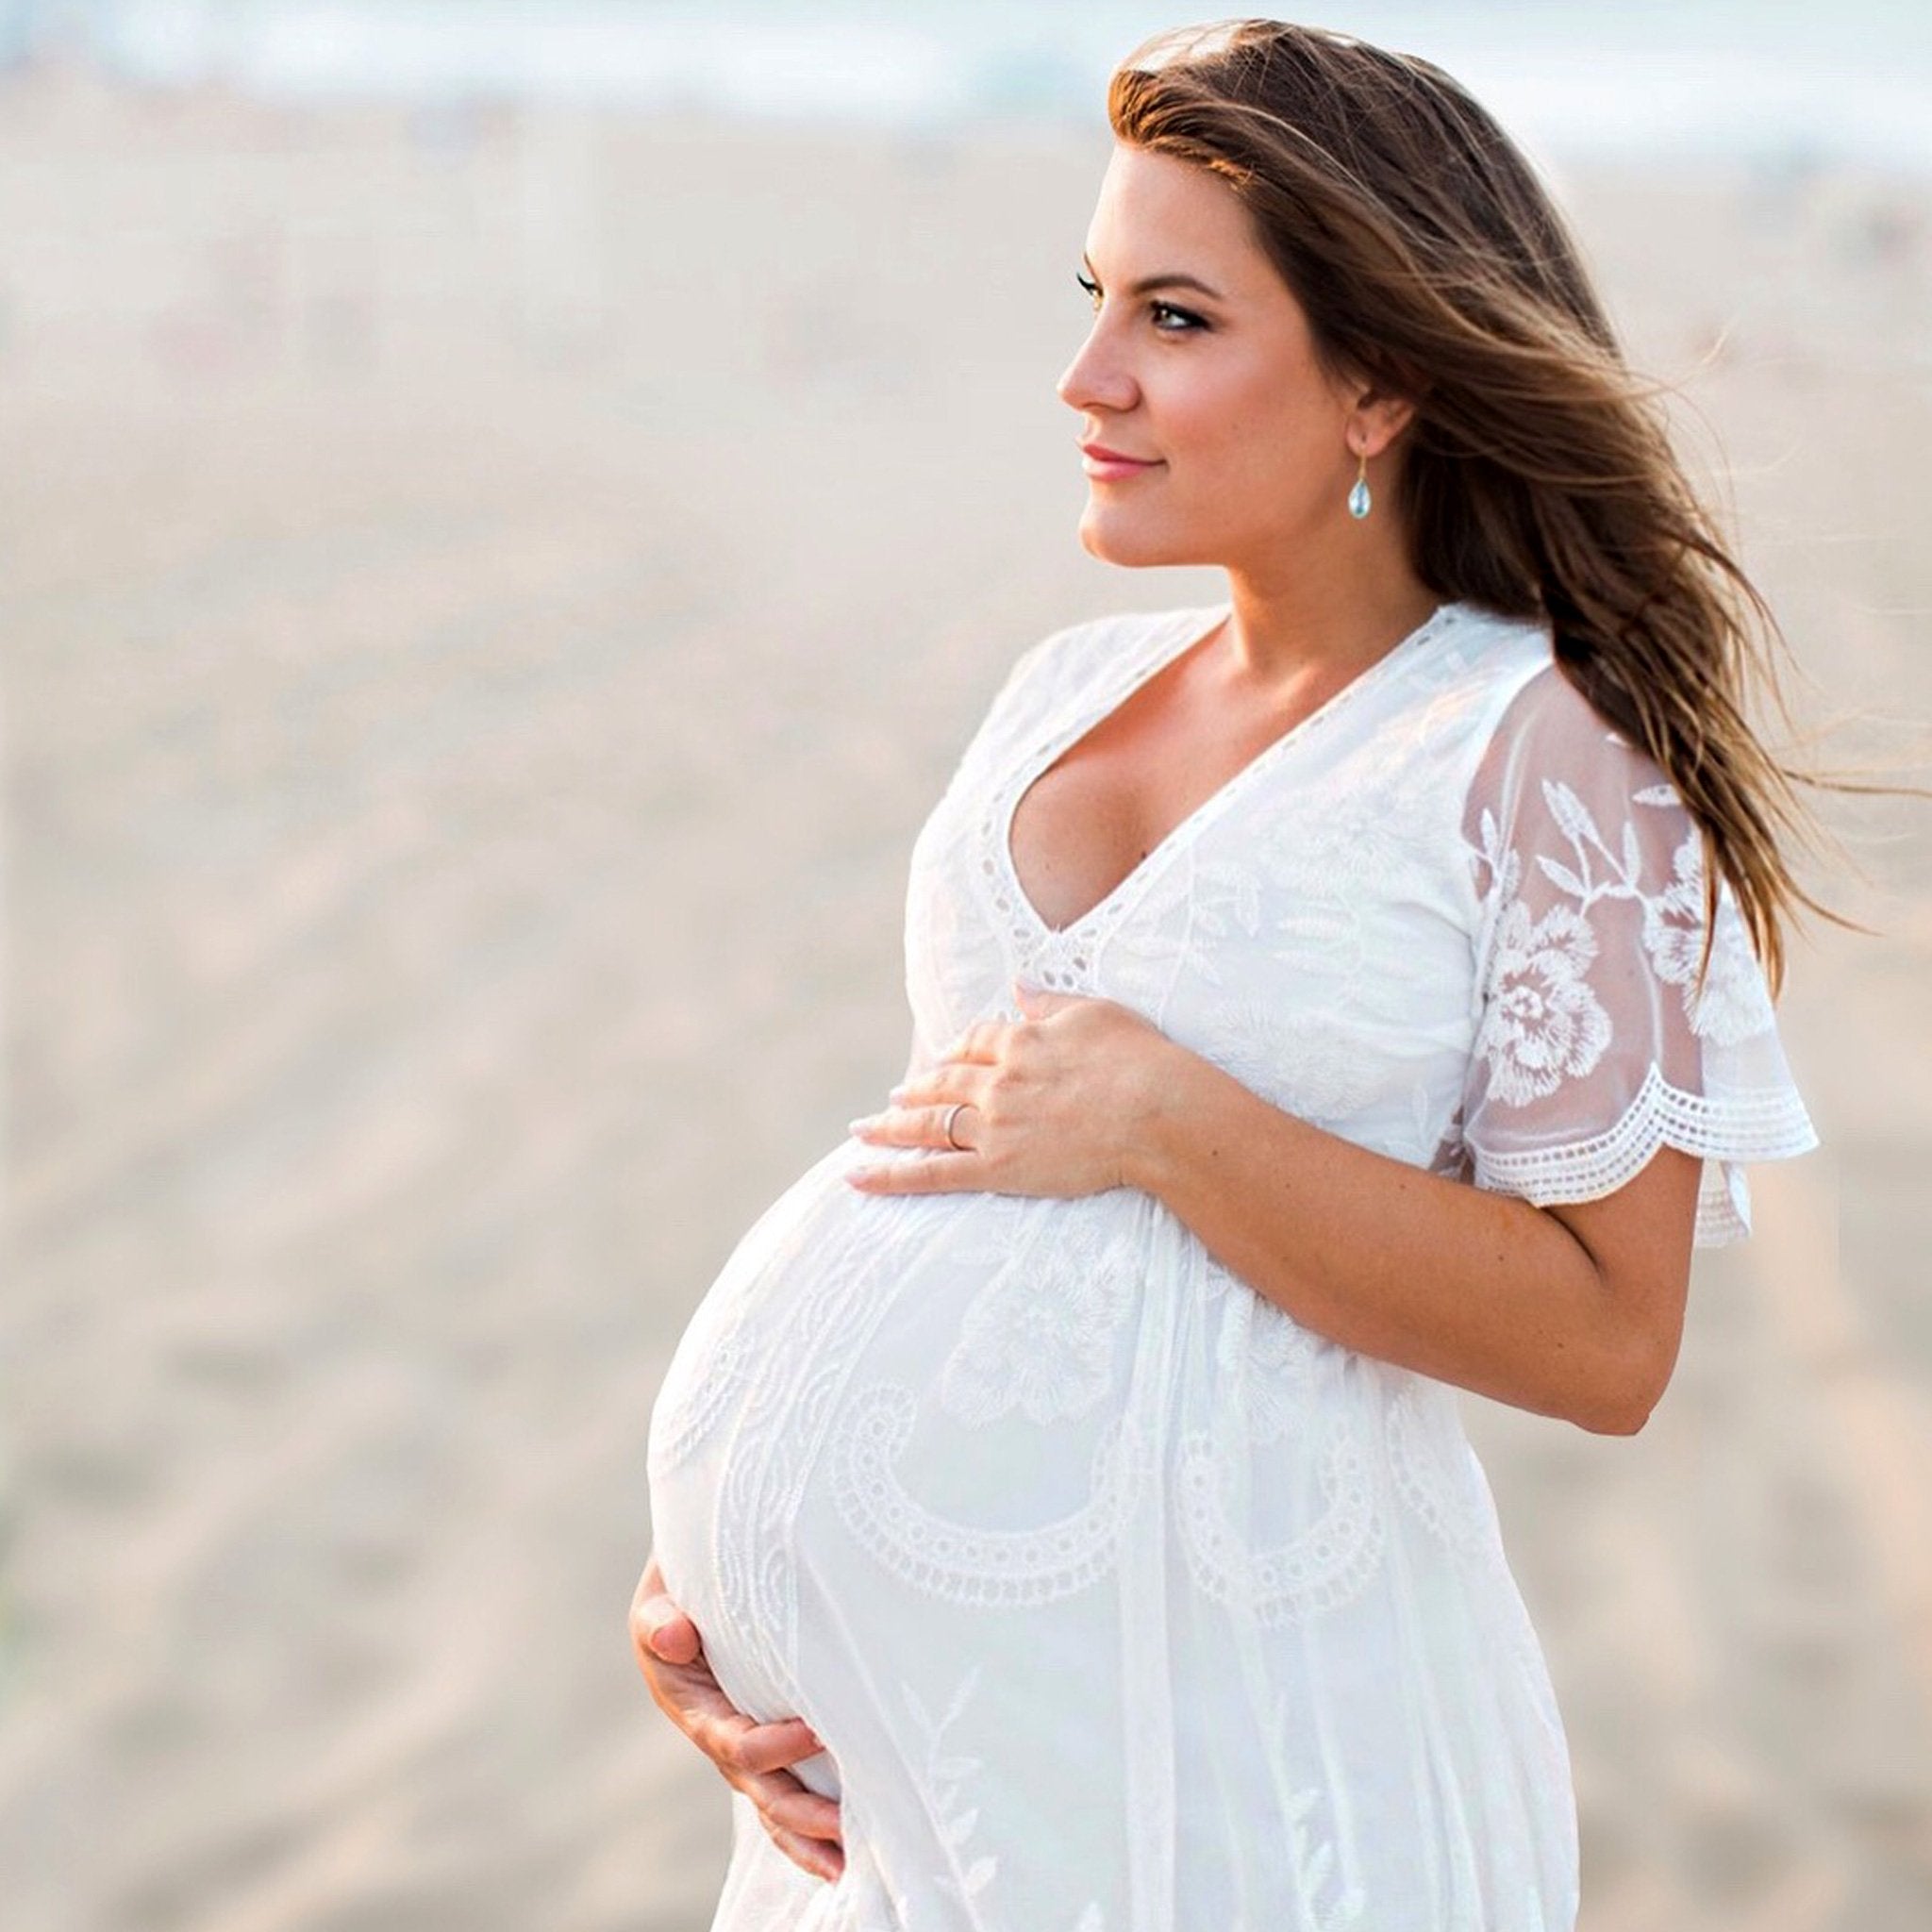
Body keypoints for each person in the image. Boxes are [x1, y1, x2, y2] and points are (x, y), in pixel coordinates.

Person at [629, 19, 1821, 1929]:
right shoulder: (1058, 693)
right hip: (907, 1802)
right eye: (1097, 299)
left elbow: (1611, 1338)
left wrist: (1175, 1123)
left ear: (1381, 386)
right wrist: (724, 1606)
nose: (1086, 375)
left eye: (1175, 320)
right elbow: (952, 1176)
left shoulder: (1544, 755)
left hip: (1238, 1783)